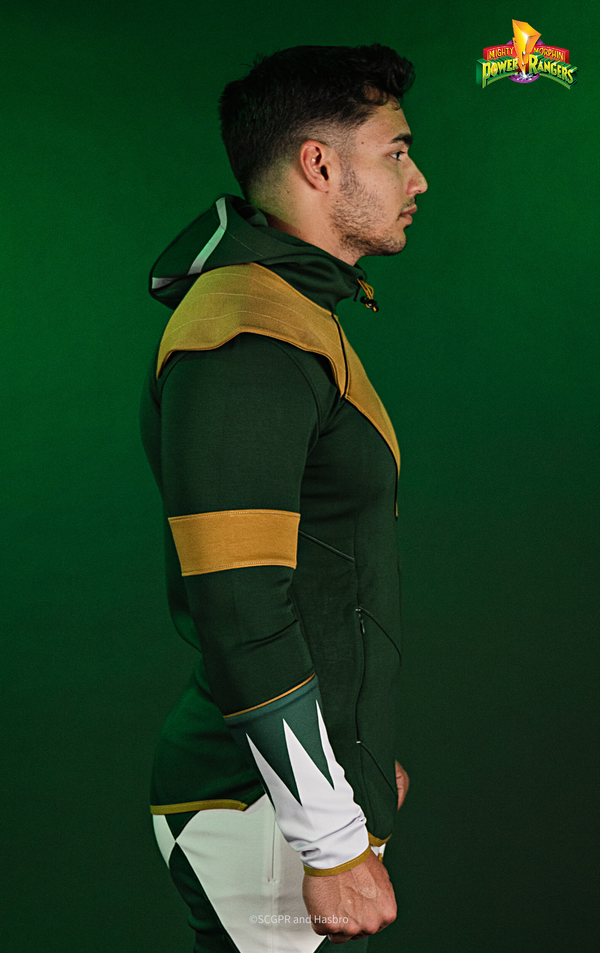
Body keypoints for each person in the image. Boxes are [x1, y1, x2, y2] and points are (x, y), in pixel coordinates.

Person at [139, 42, 427, 953]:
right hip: (254, 806)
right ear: (319, 164)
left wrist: (358, 749)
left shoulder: (295, 313)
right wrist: (330, 836)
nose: (417, 178)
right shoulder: (246, 330)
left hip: (298, 799)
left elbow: (326, 570)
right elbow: (240, 605)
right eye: (396, 152)